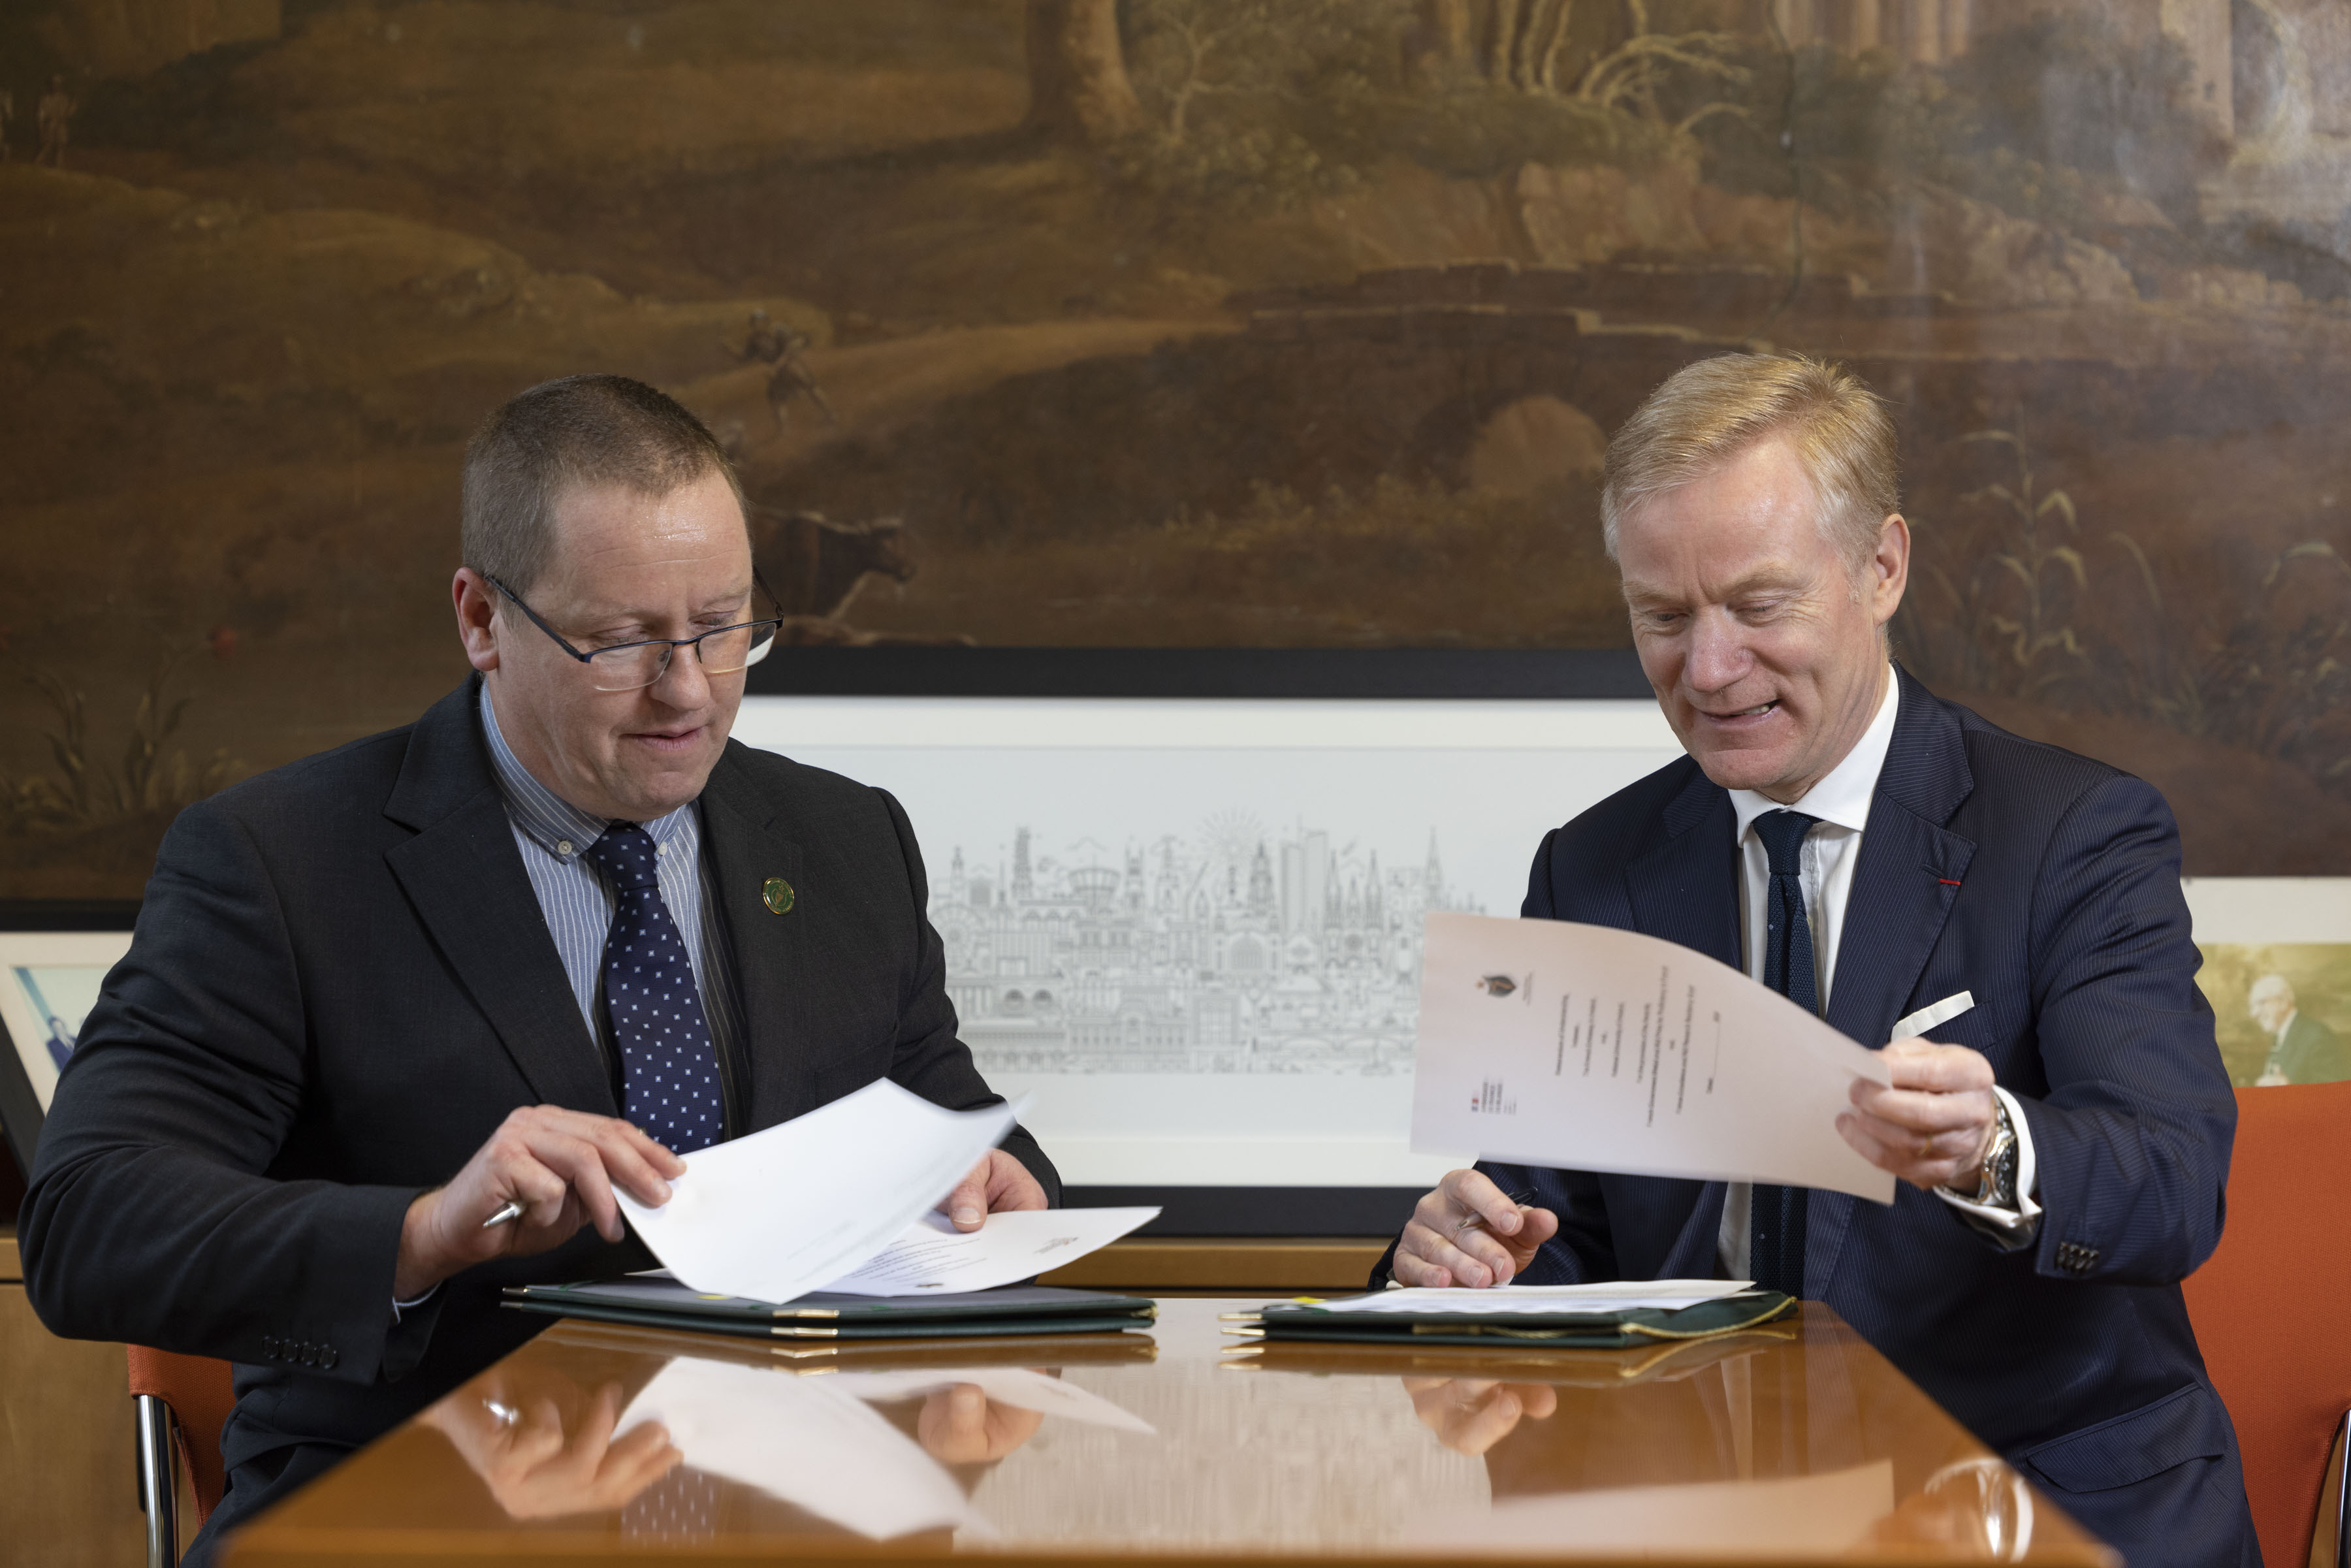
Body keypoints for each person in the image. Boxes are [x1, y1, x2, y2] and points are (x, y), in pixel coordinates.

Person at [20, 374, 1056, 1559]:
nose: (688, 690)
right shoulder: (279, 863)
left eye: (724, 628)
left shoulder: (847, 841)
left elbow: (958, 1128)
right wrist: (422, 1231)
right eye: (621, 641)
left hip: (798, 1521)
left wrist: (999, 1186)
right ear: (480, 619)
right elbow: (86, 1220)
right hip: (420, 1522)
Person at [1380, 355, 2254, 1565]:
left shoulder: (2074, 833)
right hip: (1689, 1515)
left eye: (1758, 605)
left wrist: (1994, 1144)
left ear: (1881, 567)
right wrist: (1460, 1261)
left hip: (2027, 1511)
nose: (1709, 669)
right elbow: (1557, 1222)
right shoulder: (1591, 867)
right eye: (1665, 617)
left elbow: (2172, 1179)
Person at [2249, 973, 2351, 1085]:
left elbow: (2336, 1093)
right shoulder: (2280, 1037)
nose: (2254, 1013)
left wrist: (2290, 1089)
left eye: (2261, 1003)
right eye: (2253, 1007)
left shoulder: (2317, 1036)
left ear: (2282, 1002)